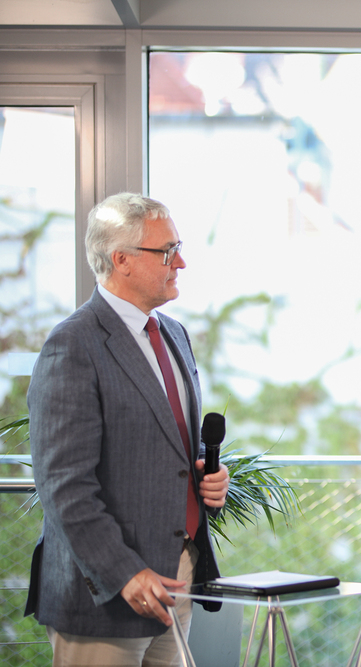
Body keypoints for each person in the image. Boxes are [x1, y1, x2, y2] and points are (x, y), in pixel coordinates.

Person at [25, 193, 230, 667]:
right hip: (106, 594)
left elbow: (168, 449)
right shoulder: (72, 345)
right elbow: (63, 486)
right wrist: (124, 574)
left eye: (178, 248)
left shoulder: (174, 334)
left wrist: (209, 476)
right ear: (122, 260)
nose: (181, 262)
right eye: (167, 251)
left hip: (177, 580)